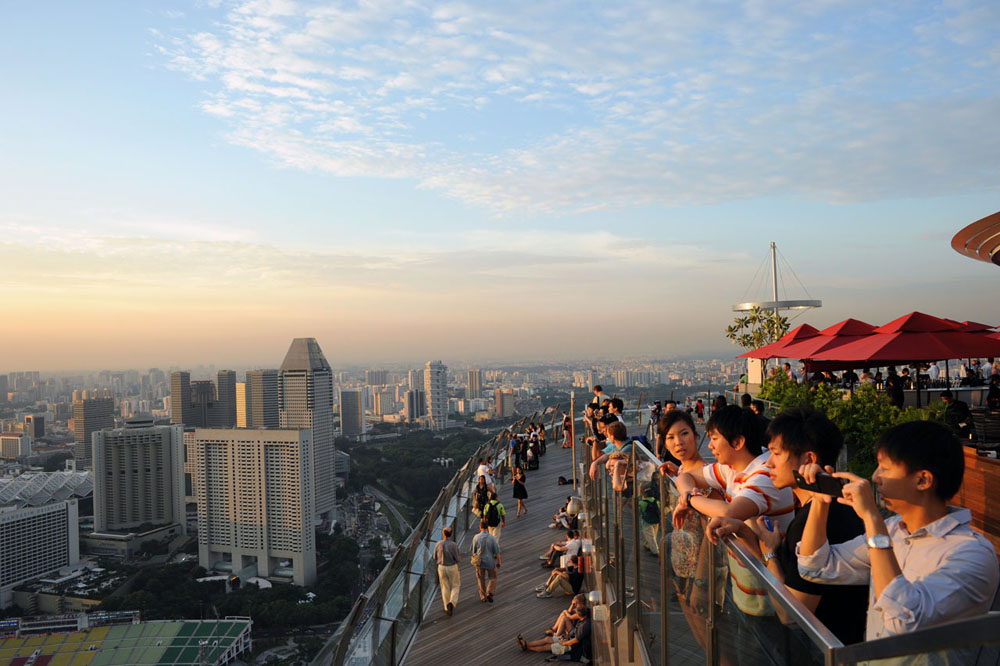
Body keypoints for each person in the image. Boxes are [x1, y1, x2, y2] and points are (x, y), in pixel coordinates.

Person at [797, 421, 1000, 642]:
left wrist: (873, 518)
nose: (875, 477)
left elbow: (904, 622)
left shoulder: (971, 553)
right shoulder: (895, 530)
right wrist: (820, 501)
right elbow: (816, 567)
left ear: (923, 480)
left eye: (884, 468)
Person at [706, 408, 868, 645]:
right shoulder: (826, 508)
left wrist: (771, 554)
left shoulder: (821, 520)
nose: (768, 462)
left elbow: (790, 614)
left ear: (809, 460)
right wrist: (742, 530)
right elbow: (789, 576)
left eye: (776, 453)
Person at [665, 405, 794, 619]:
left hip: (771, 596)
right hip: (746, 585)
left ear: (738, 442)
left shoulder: (763, 475)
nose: (711, 446)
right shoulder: (732, 466)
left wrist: (688, 499)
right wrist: (687, 493)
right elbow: (685, 478)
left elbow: (728, 513)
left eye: (715, 439)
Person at [517, 606, 592, 662]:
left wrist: (564, 643)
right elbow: (574, 634)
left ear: (579, 615)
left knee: (546, 647)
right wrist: (566, 636)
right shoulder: (582, 620)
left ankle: (526, 646)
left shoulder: (584, 625)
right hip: (568, 639)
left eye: (575, 612)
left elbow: (576, 640)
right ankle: (526, 643)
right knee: (547, 639)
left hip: (572, 646)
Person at [588, 420, 632, 492]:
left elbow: (609, 464)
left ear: (612, 437)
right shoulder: (620, 446)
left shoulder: (627, 449)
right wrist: (594, 463)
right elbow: (607, 455)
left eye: (608, 435)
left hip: (627, 486)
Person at [471, 519, 501, 603]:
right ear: (487, 527)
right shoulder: (492, 538)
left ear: (480, 527)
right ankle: (490, 592)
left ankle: (483, 596)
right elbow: (497, 551)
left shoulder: (476, 537)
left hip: (480, 562)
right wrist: (499, 561)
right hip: (490, 561)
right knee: (493, 577)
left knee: (481, 579)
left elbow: (473, 551)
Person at [433, 527, 461, 616]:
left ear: (443, 534)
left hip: (441, 567)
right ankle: (452, 603)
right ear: (450, 534)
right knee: (456, 585)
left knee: (444, 587)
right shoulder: (454, 545)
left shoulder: (438, 544)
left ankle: (446, 607)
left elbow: (434, 557)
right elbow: (457, 558)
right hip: (452, 566)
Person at [638, 486, 661, 555]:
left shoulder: (642, 502)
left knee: (650, 535)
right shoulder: (657, 501)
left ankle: (655, 551)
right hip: (656, 520)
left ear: (645, 495)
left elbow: (639, 512)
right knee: (654, 534)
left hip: (647, 520)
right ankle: (648, 545)